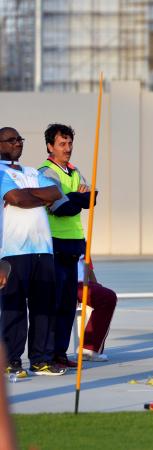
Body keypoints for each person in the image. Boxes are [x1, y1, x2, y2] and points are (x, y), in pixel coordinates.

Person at [0, 127, 66, 377]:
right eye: (11, 139)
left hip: (43, 248)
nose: (17, 143)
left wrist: (31, 196)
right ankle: (10, 360)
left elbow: (55, 193)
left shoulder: (31, 171)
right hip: (13, 250)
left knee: (44, 307)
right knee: (13, 308)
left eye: (19, 139)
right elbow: (16, 198)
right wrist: (35, 197)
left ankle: (41, 360)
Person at [38, 124, 94, 368]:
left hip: (74, 245)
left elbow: (91, 200)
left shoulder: (73, 170)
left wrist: (75, 198)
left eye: (70, 143)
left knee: (68, 304)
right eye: (62, 144)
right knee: (54, 302)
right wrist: (77, 198)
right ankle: (47, 355)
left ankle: (60, 353)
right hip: (54, 243)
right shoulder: (46, 173)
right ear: (50, 146)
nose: (68, 148)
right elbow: (59, 208)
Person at [75, 256, 116, 361]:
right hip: (64, 282)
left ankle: (89, 349)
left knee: (107, 297)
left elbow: (88, 267)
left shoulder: (82, 241)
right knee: (107, 297)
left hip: (82, 284)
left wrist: (98, 287)